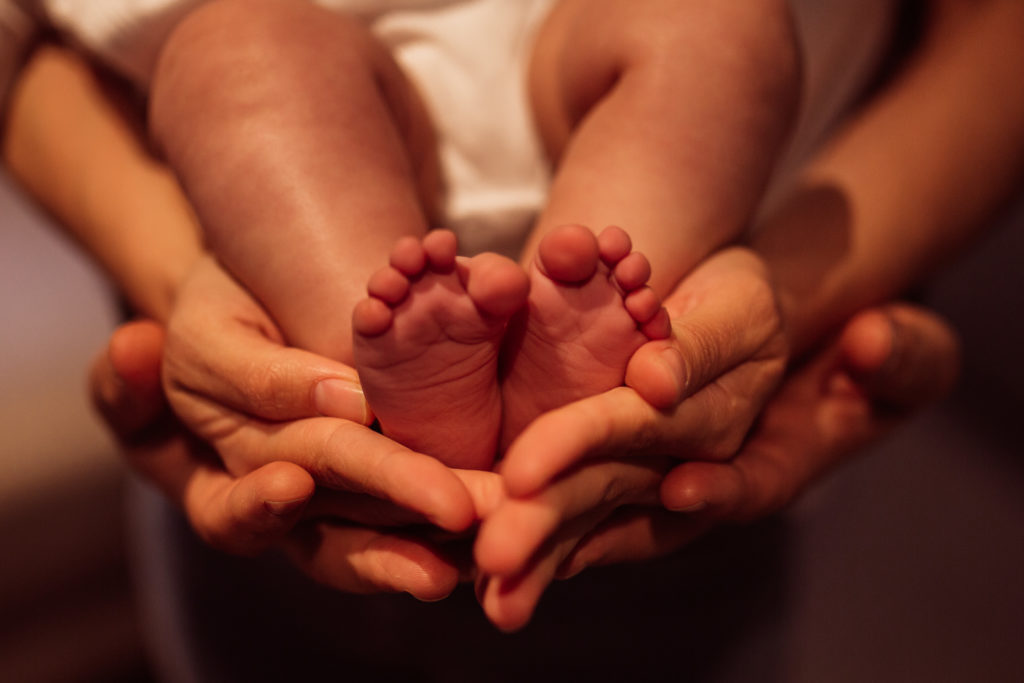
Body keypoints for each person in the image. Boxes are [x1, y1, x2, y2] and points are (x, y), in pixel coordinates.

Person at [3, 0, 1022, 668]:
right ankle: (412, 381)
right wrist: (170, 263)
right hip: (328, 55)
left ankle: (537, 384)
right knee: (238, 57)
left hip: (587, 51)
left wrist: (794, 291)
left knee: (716, 30)